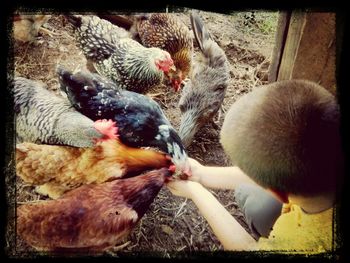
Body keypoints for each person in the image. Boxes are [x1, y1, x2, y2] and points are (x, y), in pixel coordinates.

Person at [166, 79, 343, 252]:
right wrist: (201, 174)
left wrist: (197, 192)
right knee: (254, 199)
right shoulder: (331, 149)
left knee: (251, 198)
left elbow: (248, 248)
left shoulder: (304, 245)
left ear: (278, 192)